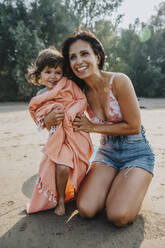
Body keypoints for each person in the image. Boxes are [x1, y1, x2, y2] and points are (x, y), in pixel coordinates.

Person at [44, 30, 155, 226]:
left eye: (84, 53)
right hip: (107, 153)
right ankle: (115, 183)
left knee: (118, 216)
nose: (79, 61)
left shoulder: (119, 80)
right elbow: (50, 101)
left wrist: (92, 127)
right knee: (86, 209)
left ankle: (133, 183)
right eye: (73, 57)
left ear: (98, 56)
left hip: (136, 152)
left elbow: (134, 126)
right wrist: (47, 120)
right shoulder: (80, 92)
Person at [26, 47, 93, 216]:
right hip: (57, 138)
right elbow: (39, 119)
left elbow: (81, 100)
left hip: (76, 133)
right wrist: (47, 120)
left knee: (72, 165)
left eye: (58, 72)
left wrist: (70, 112)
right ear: (39, 74)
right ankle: (61, 199)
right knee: (61, 167)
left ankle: (76, 192)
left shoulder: (69, 85)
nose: (53, 77)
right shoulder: (41, 95)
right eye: (48, 72)